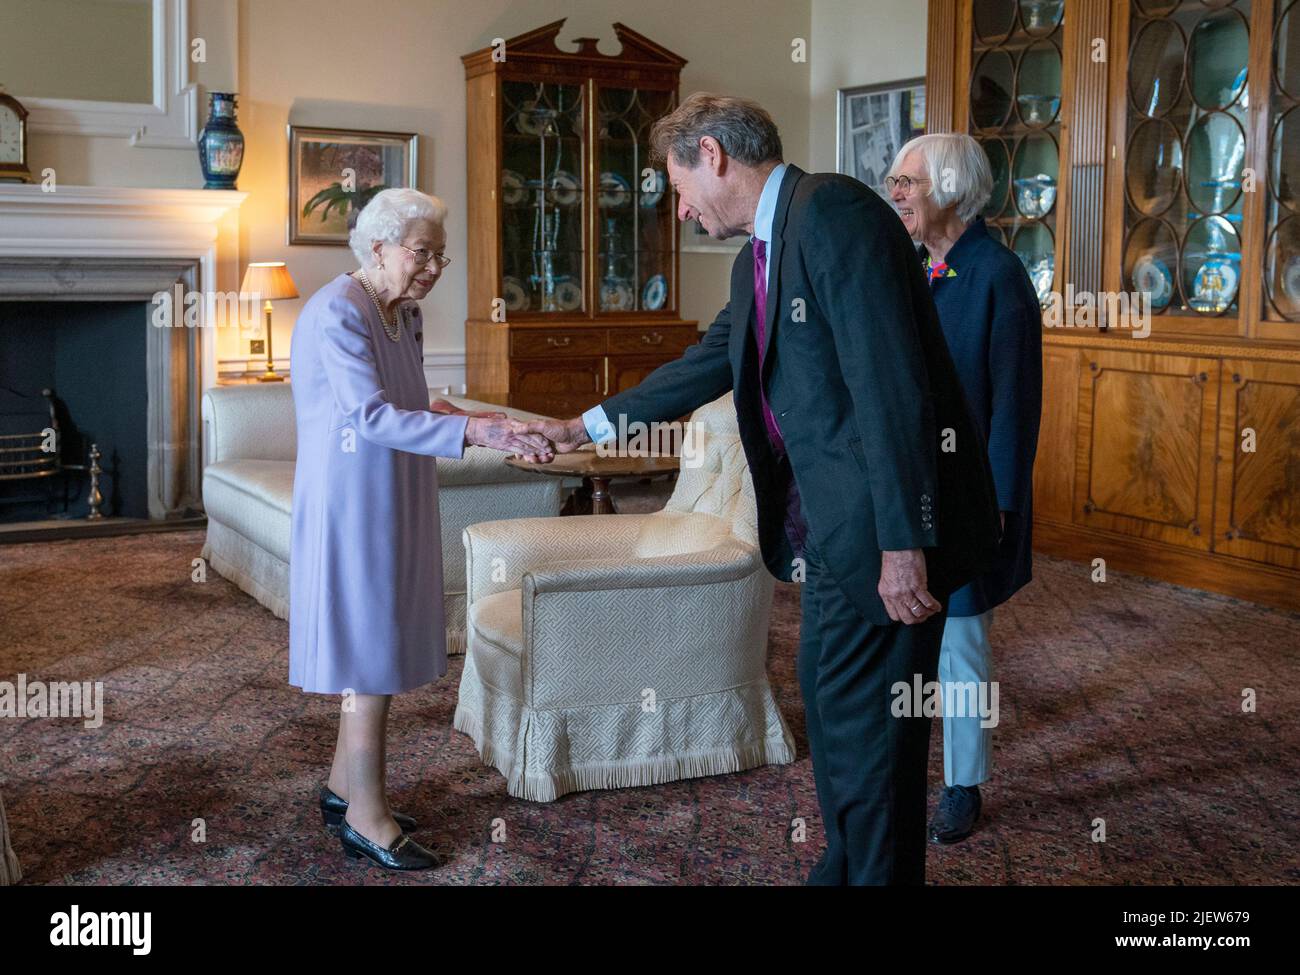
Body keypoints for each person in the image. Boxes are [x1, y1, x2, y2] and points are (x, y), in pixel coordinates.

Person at [525, 93, 1001, 885]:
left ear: (713, 154)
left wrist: (902, 543)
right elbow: (708, 364)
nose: (679, 212)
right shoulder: (762, 256)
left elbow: (893, 389)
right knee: (837, 715)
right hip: (827, 536)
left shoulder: (834, 213)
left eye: (679, 189)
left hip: (881, 541)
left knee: (877, 741)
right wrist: (586, 425)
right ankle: (850, 866)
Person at [288, 188, 552, 871]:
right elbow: (369, 417)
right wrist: (473, 429)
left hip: (397, 485)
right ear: (377, 247)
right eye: (421, 252)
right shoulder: (338, 311)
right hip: (352, 495)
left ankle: (343, 787)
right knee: (367, 649)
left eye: (440, 254)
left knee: (384, 631)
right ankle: (367, 820)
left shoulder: (403, 311)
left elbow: (410, 401)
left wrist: (490, 423)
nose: (433, 267)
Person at [886, 135, 1042, 845]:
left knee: (963, 644)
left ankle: (963, 785)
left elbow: (1015, 404)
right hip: (912, 489)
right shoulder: (920, 269)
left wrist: (1003, 506)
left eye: (908, 180)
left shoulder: (998, 275)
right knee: (905, 632)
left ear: (950, 189)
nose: (898, 192)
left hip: (974, 496)